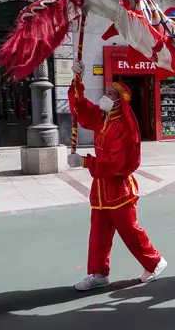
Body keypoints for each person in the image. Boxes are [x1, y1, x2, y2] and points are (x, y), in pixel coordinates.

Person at [68, 63, 167, 291]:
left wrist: (85, 162)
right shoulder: (102, 118)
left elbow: (118, 164)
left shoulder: (123, 126)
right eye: (106, 92)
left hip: (119, 189)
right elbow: (80, 109)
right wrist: (77, 80)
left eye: (110, 94)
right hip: (101, 189)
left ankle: (154, 262)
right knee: (98, 234)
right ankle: (98, 273)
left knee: (130, 231)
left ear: (119, 100)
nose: (105, 95)